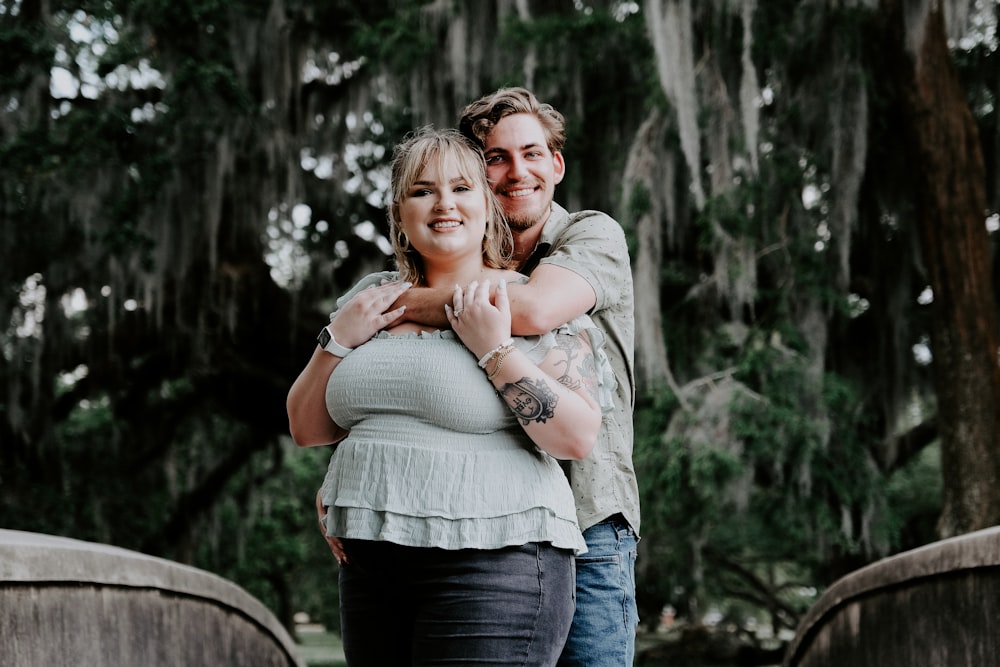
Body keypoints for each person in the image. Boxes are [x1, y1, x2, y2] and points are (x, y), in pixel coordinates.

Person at [286, 127, 617, 666]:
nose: (443, 204)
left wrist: (494, 350)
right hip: (372, 566)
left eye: (462, 188)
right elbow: (307, 428)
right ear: (400, 210)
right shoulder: (369, 299)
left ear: (487, 206)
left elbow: (576, 436)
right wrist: (337, 338)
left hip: (496, 565)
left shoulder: (530, 302)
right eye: (422, 190)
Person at [380, 87, 641, 666]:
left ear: (557, 164)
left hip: (587, 516)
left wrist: (390, 304)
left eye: (531, 153)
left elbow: (536, 310)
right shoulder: (450, 258)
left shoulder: (591, 236)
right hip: (489, 527)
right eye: (496, 158)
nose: (516, 171)